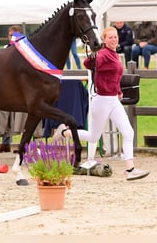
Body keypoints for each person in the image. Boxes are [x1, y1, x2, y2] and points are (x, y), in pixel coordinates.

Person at [55, 27, 150, 181]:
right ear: (104, 40)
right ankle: (65, 132)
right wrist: (94, 54)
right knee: (93, 137)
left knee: (128, 132)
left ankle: (130, 169)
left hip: (113, 100)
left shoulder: (114, 54)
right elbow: (88, 63)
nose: (114, 39)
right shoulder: (104, 54)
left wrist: (118, 90)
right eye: (110, 37)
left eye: (115, 37)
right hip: (102, 101)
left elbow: (115, 76)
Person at [0, 25, 23, 153]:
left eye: (15, 34)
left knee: (23, 116)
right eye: (10, 35)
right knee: (4, 115)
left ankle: (24, 145)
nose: (12, 37)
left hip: (22, 88)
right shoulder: (5, 49)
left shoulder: (26, 49)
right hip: (7, 87)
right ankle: (5, 143)